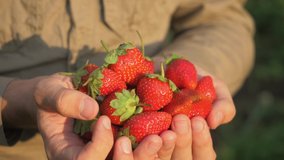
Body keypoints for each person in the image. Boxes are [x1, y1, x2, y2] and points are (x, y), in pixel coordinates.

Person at [0, 0, 254, 159]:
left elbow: (221, 19)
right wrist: (17, 98)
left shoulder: (149, 88)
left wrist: (182, 71)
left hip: (148, 139)